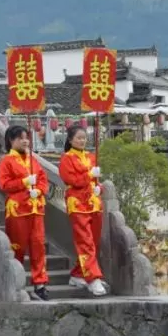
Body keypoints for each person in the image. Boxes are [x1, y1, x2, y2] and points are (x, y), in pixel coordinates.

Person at [0, 125, 50, 300]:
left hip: (36, 207)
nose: (25, 140)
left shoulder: (33, 160)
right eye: (20, 138)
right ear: (11, 141)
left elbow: (43, 180)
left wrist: (40, 190)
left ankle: (40, 283)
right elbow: (4, 184)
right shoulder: (6, 161)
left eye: (26, 137)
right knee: (17, 246)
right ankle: (16, 281)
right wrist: (24, 182)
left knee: (38, 246)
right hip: (18, 209)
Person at [59, 125, 108, 297]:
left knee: (93, 241)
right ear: (70, 140)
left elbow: (95, 182)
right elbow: (71, 180)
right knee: (85, 241)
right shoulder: (67, 158)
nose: (82, 140)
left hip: (93, 203)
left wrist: (99, 188)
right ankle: (93, 278)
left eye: (84, 137)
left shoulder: (91, 157)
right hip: (77, 203)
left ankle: (78, 274)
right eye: (79, 137)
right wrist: (89, 176)